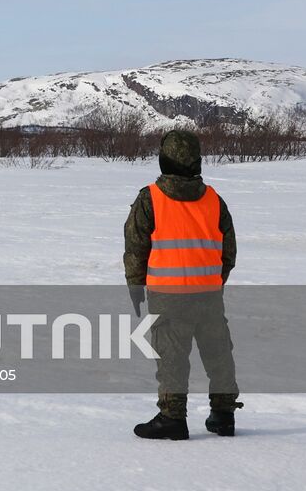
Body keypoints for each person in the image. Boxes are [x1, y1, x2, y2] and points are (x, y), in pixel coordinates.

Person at [126, 129, 242, 440]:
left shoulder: (150, 198)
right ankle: (223, 414)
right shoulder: (214, 200)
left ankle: (172, 417)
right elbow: (228, 251)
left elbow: (136, 246)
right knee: (218, 353)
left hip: (168, 295)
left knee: (172, 356)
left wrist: (135, 285)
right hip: (208, 293)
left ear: (164, 159)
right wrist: (216, 281)